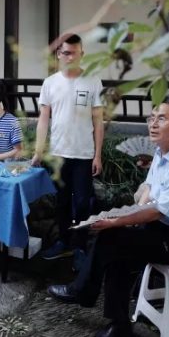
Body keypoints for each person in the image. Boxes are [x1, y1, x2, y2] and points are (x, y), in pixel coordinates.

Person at [47, 95, 169, 337]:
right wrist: (129, 215)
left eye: (162, 118)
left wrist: (117, 220)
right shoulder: (161, 153)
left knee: (112, 239)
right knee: (114, 243)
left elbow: (159, 210)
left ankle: (87, 296)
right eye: (151, 118)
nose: (153, 124)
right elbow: (150, 192)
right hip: (160, 228)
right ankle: (117, 323)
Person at [33, 34, 104, 272]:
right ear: (59, 55)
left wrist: (98, 155)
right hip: (59, 153)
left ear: (81, 54)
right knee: (62, 202)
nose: (70, 57)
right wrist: (38, 151)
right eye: (66, 53)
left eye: (75, 52)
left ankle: (81, 247)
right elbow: (43, 120)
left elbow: (98, 122)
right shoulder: (50, 83)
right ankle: (63, 241)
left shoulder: (93, 81)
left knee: (83, 203)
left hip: (83, 154)